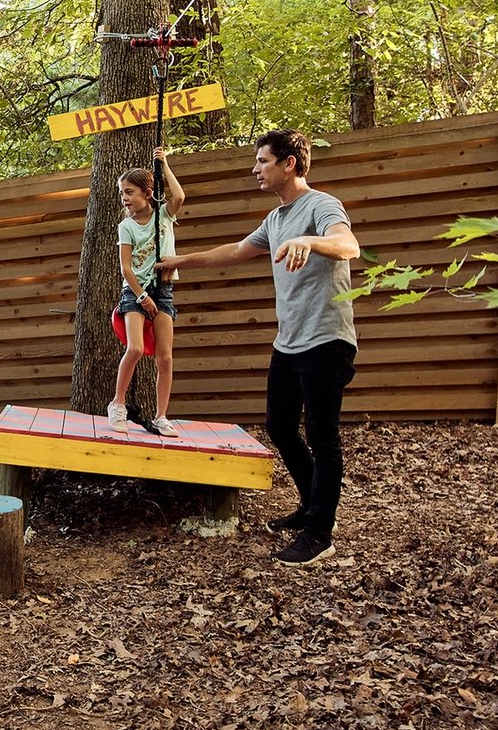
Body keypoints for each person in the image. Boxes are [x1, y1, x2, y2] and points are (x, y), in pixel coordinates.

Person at [156, 129, 359, 566]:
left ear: (289, 163)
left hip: (327, 340)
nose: (255, 170)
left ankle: (319, 533)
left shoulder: (321, 205)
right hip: (289, 343)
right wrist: (181, 260)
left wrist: (309, 241)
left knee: (322, 436)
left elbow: (348, 245)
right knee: (280, 426)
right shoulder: (276, 218)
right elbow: (236, 251)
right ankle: (312, 504)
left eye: (263, 161)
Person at [107, 147, 185, 437]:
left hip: (163, 290)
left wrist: (164, 164)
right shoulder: (126, 226)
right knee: (136, 348)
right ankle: (117, 404)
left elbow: (179, 197)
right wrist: (142, 297)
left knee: (165, 357)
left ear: (147, 193)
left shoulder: (163, 216)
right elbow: (126, 268)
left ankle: (161, 416)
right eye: (122, 193)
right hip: (135, 292)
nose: (124, 198)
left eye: (129, 192)